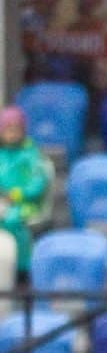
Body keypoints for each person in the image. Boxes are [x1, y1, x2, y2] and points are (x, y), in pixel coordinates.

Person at [0, 107, 52, 276]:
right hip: (2, 202)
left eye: (16, 129)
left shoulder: (31, 156)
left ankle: (22, 269)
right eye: (8, 129)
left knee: (11, 219)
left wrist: (16, 195)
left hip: (26, 204)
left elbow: (37, 185)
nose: (12, 134)